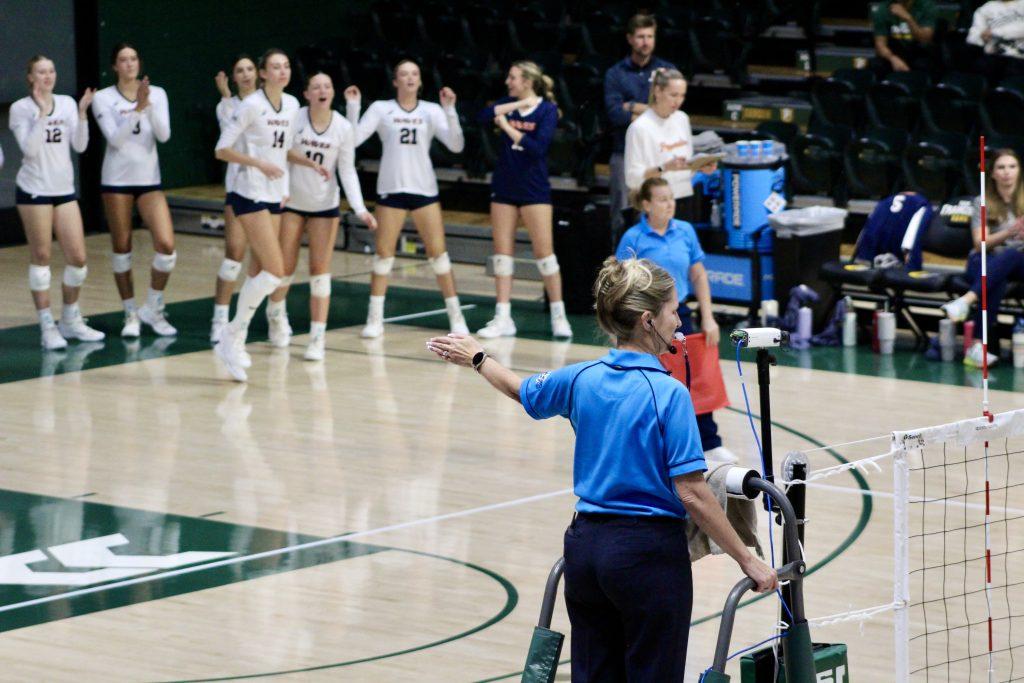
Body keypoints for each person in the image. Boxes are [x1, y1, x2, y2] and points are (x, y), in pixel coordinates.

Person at [426, 256, 777, 681]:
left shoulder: (581, 377)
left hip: (586, 551)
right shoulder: (668, 394)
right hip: (646, 557)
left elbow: (522, 391)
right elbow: (692, 492)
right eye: (672, 310)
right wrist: (747, 560)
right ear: (648, 320)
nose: (678, 319)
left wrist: (479, 358)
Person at [344, 59, 469, 339]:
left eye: (414, 74)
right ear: (395, 81)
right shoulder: (381, 108)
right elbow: (351, 140)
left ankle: (456, 318)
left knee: (439, 257)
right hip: (391, 190)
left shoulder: (431, 110)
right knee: (383, 257)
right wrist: (353, 108)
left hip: (424, 191)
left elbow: (456, 145)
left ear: (420, 81)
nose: (410, 78)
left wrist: (450, 110)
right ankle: (374, 319)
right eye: (404, 73)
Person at [617, 177, 734, 462]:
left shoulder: (685, 231)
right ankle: (648, 442)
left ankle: (709, 440)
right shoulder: (633, 237)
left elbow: (698, 274)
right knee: (648, 379)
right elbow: (620, 282)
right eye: (662, 199)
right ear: (646, 205)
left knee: (695, 377)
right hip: (643, 319)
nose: (670, 204)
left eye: (671, 198)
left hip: (679, 314)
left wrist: (708, 317)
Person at [273, 72, 376, 360]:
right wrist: (281, 191)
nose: (322, 90)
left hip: (325, 207)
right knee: (283, 268)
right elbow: (280, 154)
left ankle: (316, 338)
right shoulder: (295, 117)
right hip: (292, 202)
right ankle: (277, 315)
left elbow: (347, 170)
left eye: (327, 86)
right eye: (316, 86)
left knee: (320, 271)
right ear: (306, 93)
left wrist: (359, 209)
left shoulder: (342, 127)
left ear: (333, 93)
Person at [212, 48, 300, 382]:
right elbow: (222, 149)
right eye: (275, 67)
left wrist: (285, 182)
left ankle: (234, 336)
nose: (282, 71)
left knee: (261, 269)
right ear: (263, 74)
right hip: (248, 192)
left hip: (275, 193)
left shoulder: (291, 104)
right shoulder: (251, 105)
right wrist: (258, 163)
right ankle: (232, 334)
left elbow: (282, 148)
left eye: (286, 65)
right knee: (276, 271)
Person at [9, 55, 104, 349]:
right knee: (42, 258)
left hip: (64, 190)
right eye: (41, 72)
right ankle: (47, 326)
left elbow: (80, 145)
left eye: (51, 70)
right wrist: (40, 113)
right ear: (30, 77)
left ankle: (71, 319)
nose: (48, 76)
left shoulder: (65, 103)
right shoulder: (20, 109)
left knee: (78, 259)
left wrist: (83, 114)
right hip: (35, 190)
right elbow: (30, 150)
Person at [476, 61, 573, 340]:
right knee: (502, 255)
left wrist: (506, 126)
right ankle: (503, 317)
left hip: (534, 189)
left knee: (545, 256)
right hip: (504, 186)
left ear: (528, 81)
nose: (508, 81)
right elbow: (482, 116)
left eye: (513, 77)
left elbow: (537, 148)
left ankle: (559, 315)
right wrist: (506, 110)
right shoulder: (508, 103)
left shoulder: (547, 110)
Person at [92, 43, 177, 337]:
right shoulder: (103, 98)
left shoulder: (159, 93)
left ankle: (152, 308)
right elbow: (115, 140)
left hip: (149, 179)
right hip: (117, 180)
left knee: (166, 247)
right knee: (122, 247)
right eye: (123, 60)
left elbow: (164, 136)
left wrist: (148, 106)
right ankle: (130, 313)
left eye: (133, 59)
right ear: (115, 66)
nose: (129, 64)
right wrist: (137, 109)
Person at [943, 148, 1024, 367]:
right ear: (993, 173)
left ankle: (966, 301)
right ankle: (978, 347)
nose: (1007, 172)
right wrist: (1009, 232)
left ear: (1019, 171)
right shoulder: (982, 201)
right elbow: (979, 244)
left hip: (1020, 261)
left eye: (1012, 166)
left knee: (1012, 254)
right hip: (986, 259)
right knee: (995, 280)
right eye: (1001, 167)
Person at [604, 12, 675, 241]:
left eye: (650, 36)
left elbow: (670, 111)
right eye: (641, 36)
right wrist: (652, 110)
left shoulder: (667, 72)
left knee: (659, 214)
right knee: (621, 216)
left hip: (658, 156)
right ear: (630, 39)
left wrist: (633, 107)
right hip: (624, 154)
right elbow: (615, 114)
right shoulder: (615, 74)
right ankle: (621, 272)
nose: (646, 42)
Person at [624, 68, 717, 225]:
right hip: (655, 204)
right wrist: (663, 168)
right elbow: (633, 179)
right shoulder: (639, 128)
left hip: (683, 198)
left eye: (682, 96)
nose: (678, 101)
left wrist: (699, 167)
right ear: (658, 91)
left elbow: (683, 164)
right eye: (673, 95)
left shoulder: (682, 119)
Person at [210, 55, 258, 343]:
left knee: (267, 262)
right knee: (233, 256)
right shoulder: (227, 106)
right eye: (239, 70)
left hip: (269, 189)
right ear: (233, 77)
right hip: (239, 187)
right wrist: (227, 97)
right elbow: (229, 139)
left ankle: (266, 317)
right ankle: (219, 318)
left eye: (250, 69)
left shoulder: (273, 105)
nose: (245, 74)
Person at [871, 0, 937, 76]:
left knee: (924, 64)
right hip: (894, 52)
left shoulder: (926, 6)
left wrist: (908, 18)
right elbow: (880, 44)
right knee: (877, 64)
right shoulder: (883, 8)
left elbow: (925, 39)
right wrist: (892, 58)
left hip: (918, 52)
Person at [967, 0, 1024, 82]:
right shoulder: (986, 8)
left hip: (1019, 57)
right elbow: (973, 36)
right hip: (993, 56)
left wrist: (995, 32)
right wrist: (981, 37)